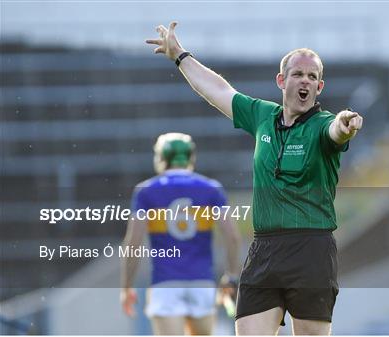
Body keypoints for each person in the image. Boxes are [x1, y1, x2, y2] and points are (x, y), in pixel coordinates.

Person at [146, 22, 363, 335]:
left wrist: (346, 124)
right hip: (265, 249)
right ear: (281, 80)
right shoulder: (263, 116)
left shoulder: (322, 125)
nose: (305, 80)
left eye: (312, 77)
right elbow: (219, 90)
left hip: (311, 249)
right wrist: (180, 55)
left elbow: (336, 132)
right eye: (298, 74)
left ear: (319, 88)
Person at [120, 132, 241, 335]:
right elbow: (233, 238)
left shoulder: (146, 191)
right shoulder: (211, 189)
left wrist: (126, 287)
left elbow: (133, 244)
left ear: (161, 158)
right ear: (191, 158)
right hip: (201, 282)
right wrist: (232, 276)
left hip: (165, 284)